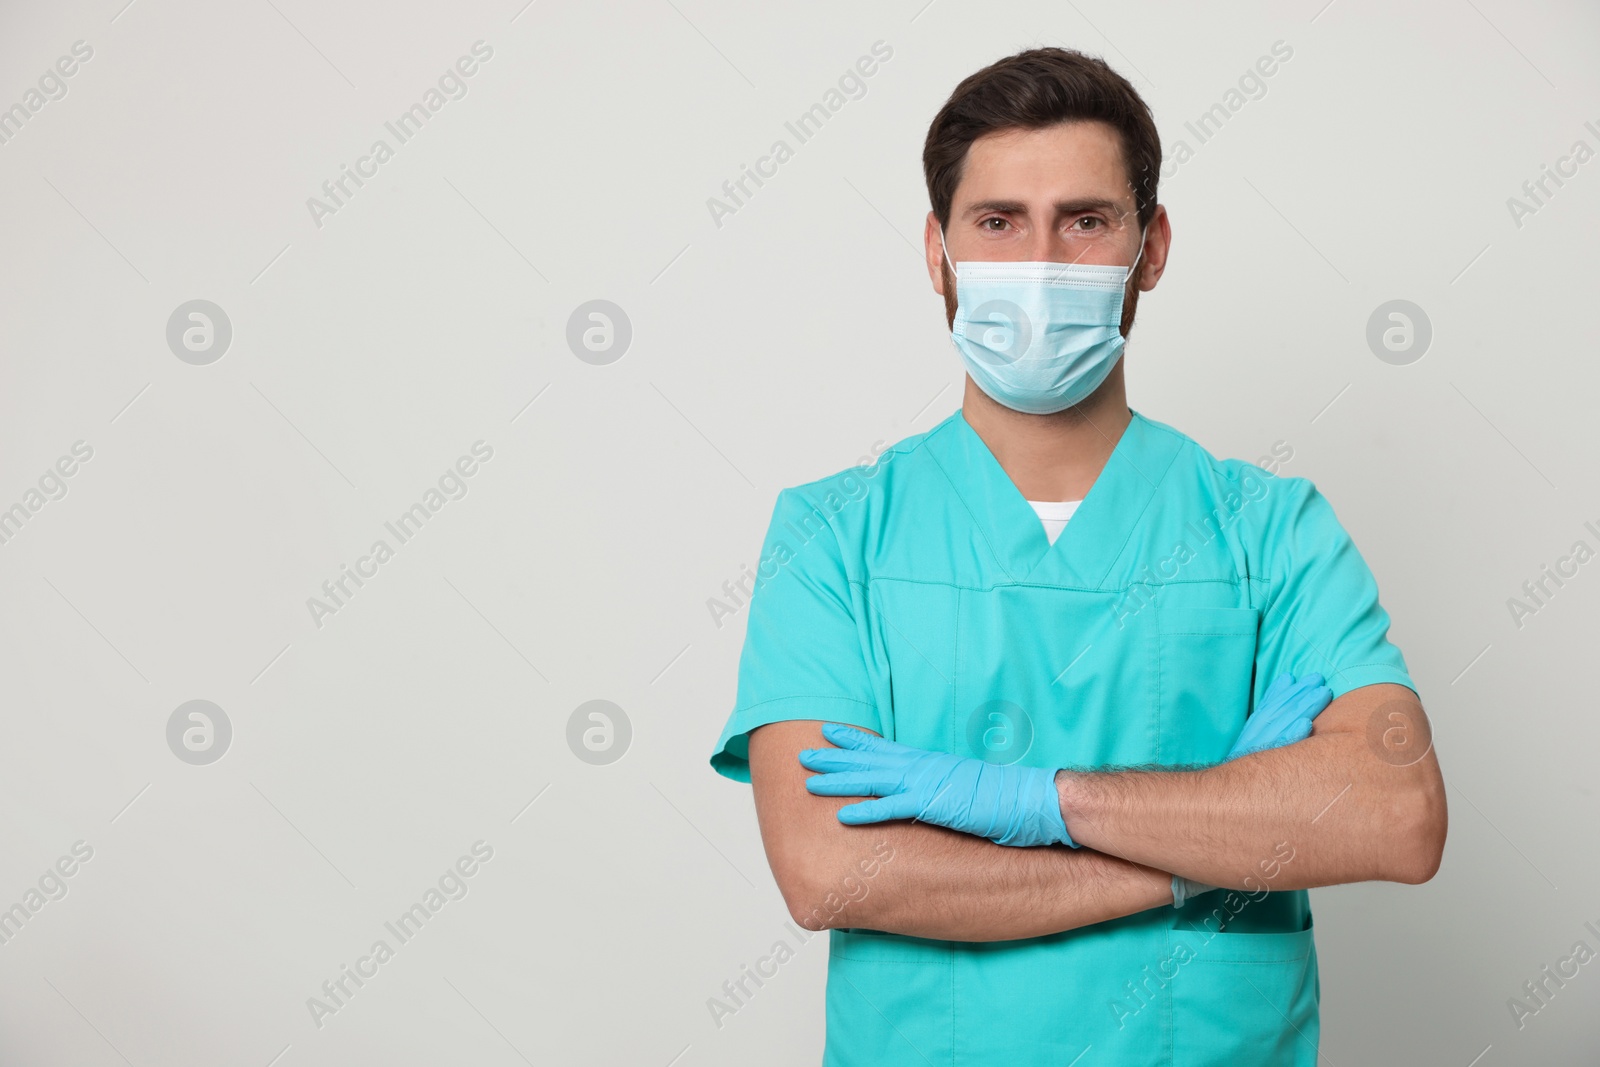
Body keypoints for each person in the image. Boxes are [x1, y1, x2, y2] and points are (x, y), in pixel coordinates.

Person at [708, 47, 1446, 1066]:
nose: (1040, 260)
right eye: (998, 221)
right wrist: (1202, 851)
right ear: (938, 251)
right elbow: (828, 870)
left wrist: (1038, 803)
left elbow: (1392, 811)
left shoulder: (1270, 530)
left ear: (1151, 249)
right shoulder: (834, 534)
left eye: (1086, 221)